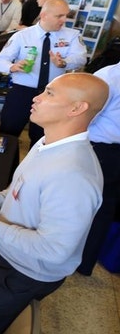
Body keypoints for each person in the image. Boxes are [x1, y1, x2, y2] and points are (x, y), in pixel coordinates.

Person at [0, 73, 109, 334]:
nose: (36, 98)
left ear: (77, 108)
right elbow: (20, 189)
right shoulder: (46, 142)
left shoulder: (74, 175)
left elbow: (53, 250)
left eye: (49, 93)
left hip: (23, 272)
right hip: (8, 254)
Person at [0, 0, 87, 146]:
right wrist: (12, 67)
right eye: (59, 16)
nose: (64, 20)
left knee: (42, 137)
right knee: (8, 133)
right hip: (21, 93)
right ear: (44, 15)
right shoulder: (22, 35)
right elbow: (1, 60)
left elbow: (81, 58)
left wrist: (65, 62)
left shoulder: (72, 36)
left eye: (66, 15)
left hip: (53, 95)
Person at [78, 62, 120, 275]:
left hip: (103, 150)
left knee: (85, 203)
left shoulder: (109, 77)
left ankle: (76, 258)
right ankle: (86, 263)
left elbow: (86, 114)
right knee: (106, 207)